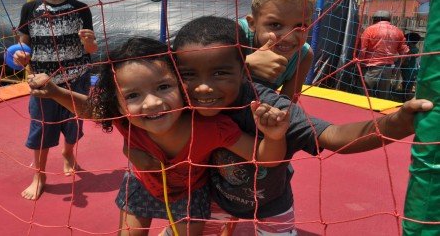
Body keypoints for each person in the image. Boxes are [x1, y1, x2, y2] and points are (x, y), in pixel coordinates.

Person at [169, 15, 432, 235]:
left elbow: (333, 135)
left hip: (271, 204)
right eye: (189, 75)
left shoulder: (266, 105)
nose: (203, 87)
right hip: (214, 198)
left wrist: (396, 124)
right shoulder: (177, 104)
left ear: (243, 70)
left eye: (219, 73)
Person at [28, 37, 289, 235]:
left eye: (163, 87)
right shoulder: (123, 119)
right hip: (142, 184)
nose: (151, 103)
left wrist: (274, 137)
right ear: (117, 105)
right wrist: (54, 91)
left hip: (191, 190)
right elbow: (90, 109)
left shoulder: (212, 127)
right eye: (132, 96)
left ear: (182, 86)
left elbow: (264, 159)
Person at [13, 0, 98, 201]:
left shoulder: (81, 9)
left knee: (73, 125)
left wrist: (88, 41)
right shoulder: (30, 10)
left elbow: (92, 50)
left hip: (76, 80)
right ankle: (39, 174)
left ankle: (68, 152)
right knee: (41, 130)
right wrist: (20, 55)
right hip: (43, 85)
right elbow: (22, 46)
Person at [240, 0, 317, 102]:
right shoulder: (236, 33)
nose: (289, 37)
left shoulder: (303, 56)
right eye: (275, 25)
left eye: (300, 26)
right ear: (252, 23)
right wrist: (246, 65)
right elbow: (193, 70)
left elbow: (287, 106)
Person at [358, 10, 409, 100]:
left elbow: (362, 50)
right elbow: (404, 52)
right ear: (389, 19)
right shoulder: (398, 31)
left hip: (371, 68)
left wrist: (359, 65)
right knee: (383, 96)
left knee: (364, 93)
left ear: (375, 19)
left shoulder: (370, 30)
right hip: (387, 68)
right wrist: (397, 67)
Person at [400, 32, 421, 101]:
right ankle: (405, 100)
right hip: (413, 72)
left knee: (407, 89)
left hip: (408, 73)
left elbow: (406, 62)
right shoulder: (416, 50)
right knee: (407, 87)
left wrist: (398, 64)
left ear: (409, 41)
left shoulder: (410, 51)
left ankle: (407, 101)